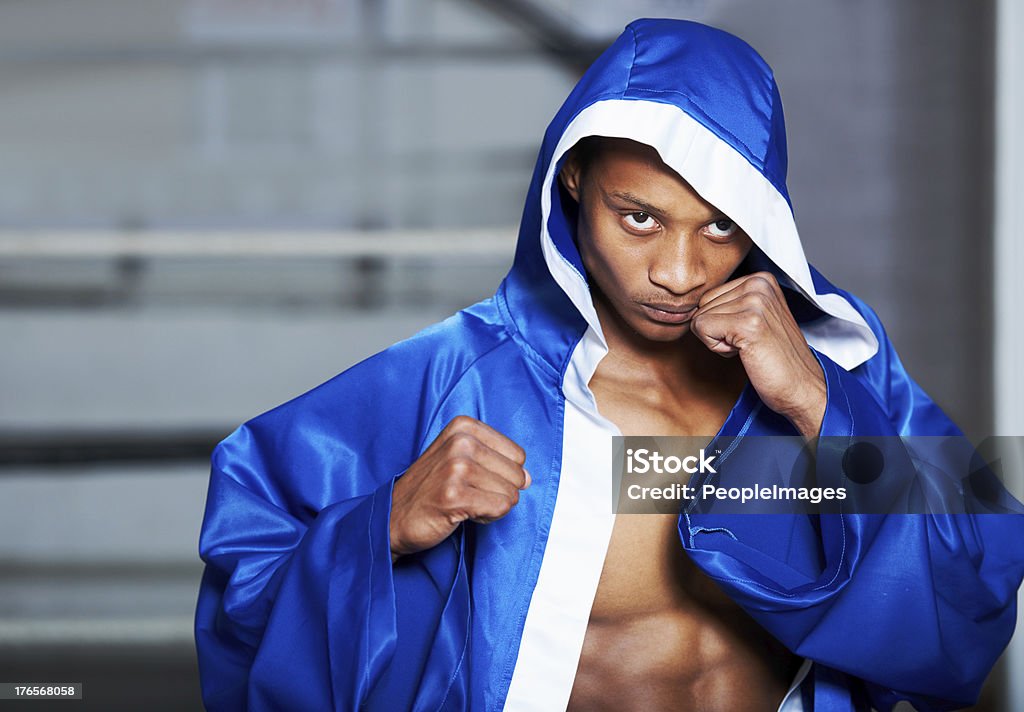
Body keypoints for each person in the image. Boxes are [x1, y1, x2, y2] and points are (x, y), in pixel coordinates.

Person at [194, 18, 1024, 712]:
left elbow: (977, 589)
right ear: (572, 184)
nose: (679, 270)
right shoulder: (457, 378)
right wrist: (381, 527)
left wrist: (816, 402)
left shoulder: (841, 366)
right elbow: (247, 596)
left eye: (720, 229)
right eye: (639, 218)